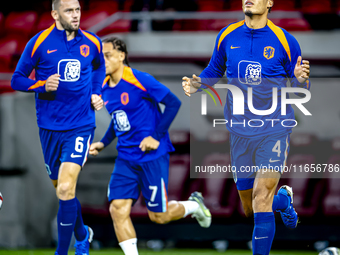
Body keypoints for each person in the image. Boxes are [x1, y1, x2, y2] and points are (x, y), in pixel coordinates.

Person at [182, 1, 311, 255]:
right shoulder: (227, 35)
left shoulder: (285, 40)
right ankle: (284, 200)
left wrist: (302, 80)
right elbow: (213, 70)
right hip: (240, 133)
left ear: (270, 3)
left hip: (274, 129)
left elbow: (301, 88)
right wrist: (198, 84)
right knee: (250, 207)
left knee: (261, 198)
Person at [89, 37, 211, 255]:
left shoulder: (140, 79)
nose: (102, 60)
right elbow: (119, 120)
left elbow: (174, 103)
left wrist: (155, 136)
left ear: (121, 56)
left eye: (107, 55)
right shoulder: (105, 88)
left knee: (159, 216)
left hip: (151, 157)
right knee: (117, 209)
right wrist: (103, 143)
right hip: (126, 159)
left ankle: (194, 206)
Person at [11, 0, 105, 254]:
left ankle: (63, 251)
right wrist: (40, 85)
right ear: (55, 14)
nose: (75, 16)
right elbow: (16, 79)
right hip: (49, 128)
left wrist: (97, 92)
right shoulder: (38, 43)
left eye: (77, 10)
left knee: (65, 187)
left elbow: (99, 68)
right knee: (62, 189)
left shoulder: (92, 42)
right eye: (69, 11)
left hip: (81, 126)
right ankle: (83, 233)